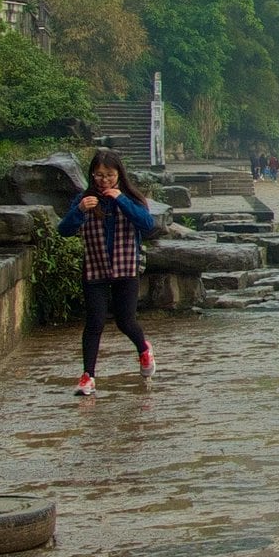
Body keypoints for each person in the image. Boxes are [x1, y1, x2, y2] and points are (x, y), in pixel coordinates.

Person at [59, 149, 156, 398]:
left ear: (118, 175)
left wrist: (120, 199)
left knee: (126, 321)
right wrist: (79, 210)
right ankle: (88, 376)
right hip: (95, 269)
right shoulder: (84, 199)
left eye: (109, 175)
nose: (104, 180)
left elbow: (147, 225)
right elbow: (65, 230)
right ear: (92, 175)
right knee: (94, 323)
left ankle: (143, 349)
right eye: (99, 175)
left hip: (126, 269)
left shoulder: (130, 198)